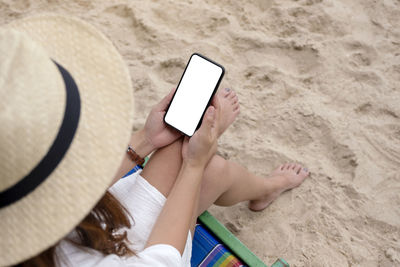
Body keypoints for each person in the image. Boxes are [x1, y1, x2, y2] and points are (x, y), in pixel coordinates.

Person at [0, 15, 309, 267]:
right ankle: (266, 187)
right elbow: (163, 260)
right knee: (212, 171)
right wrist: (195, 166)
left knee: (175, 143)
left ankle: (259, 186)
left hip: (77, 232)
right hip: (127, 256)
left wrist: (145, 141)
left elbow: (60, 187)